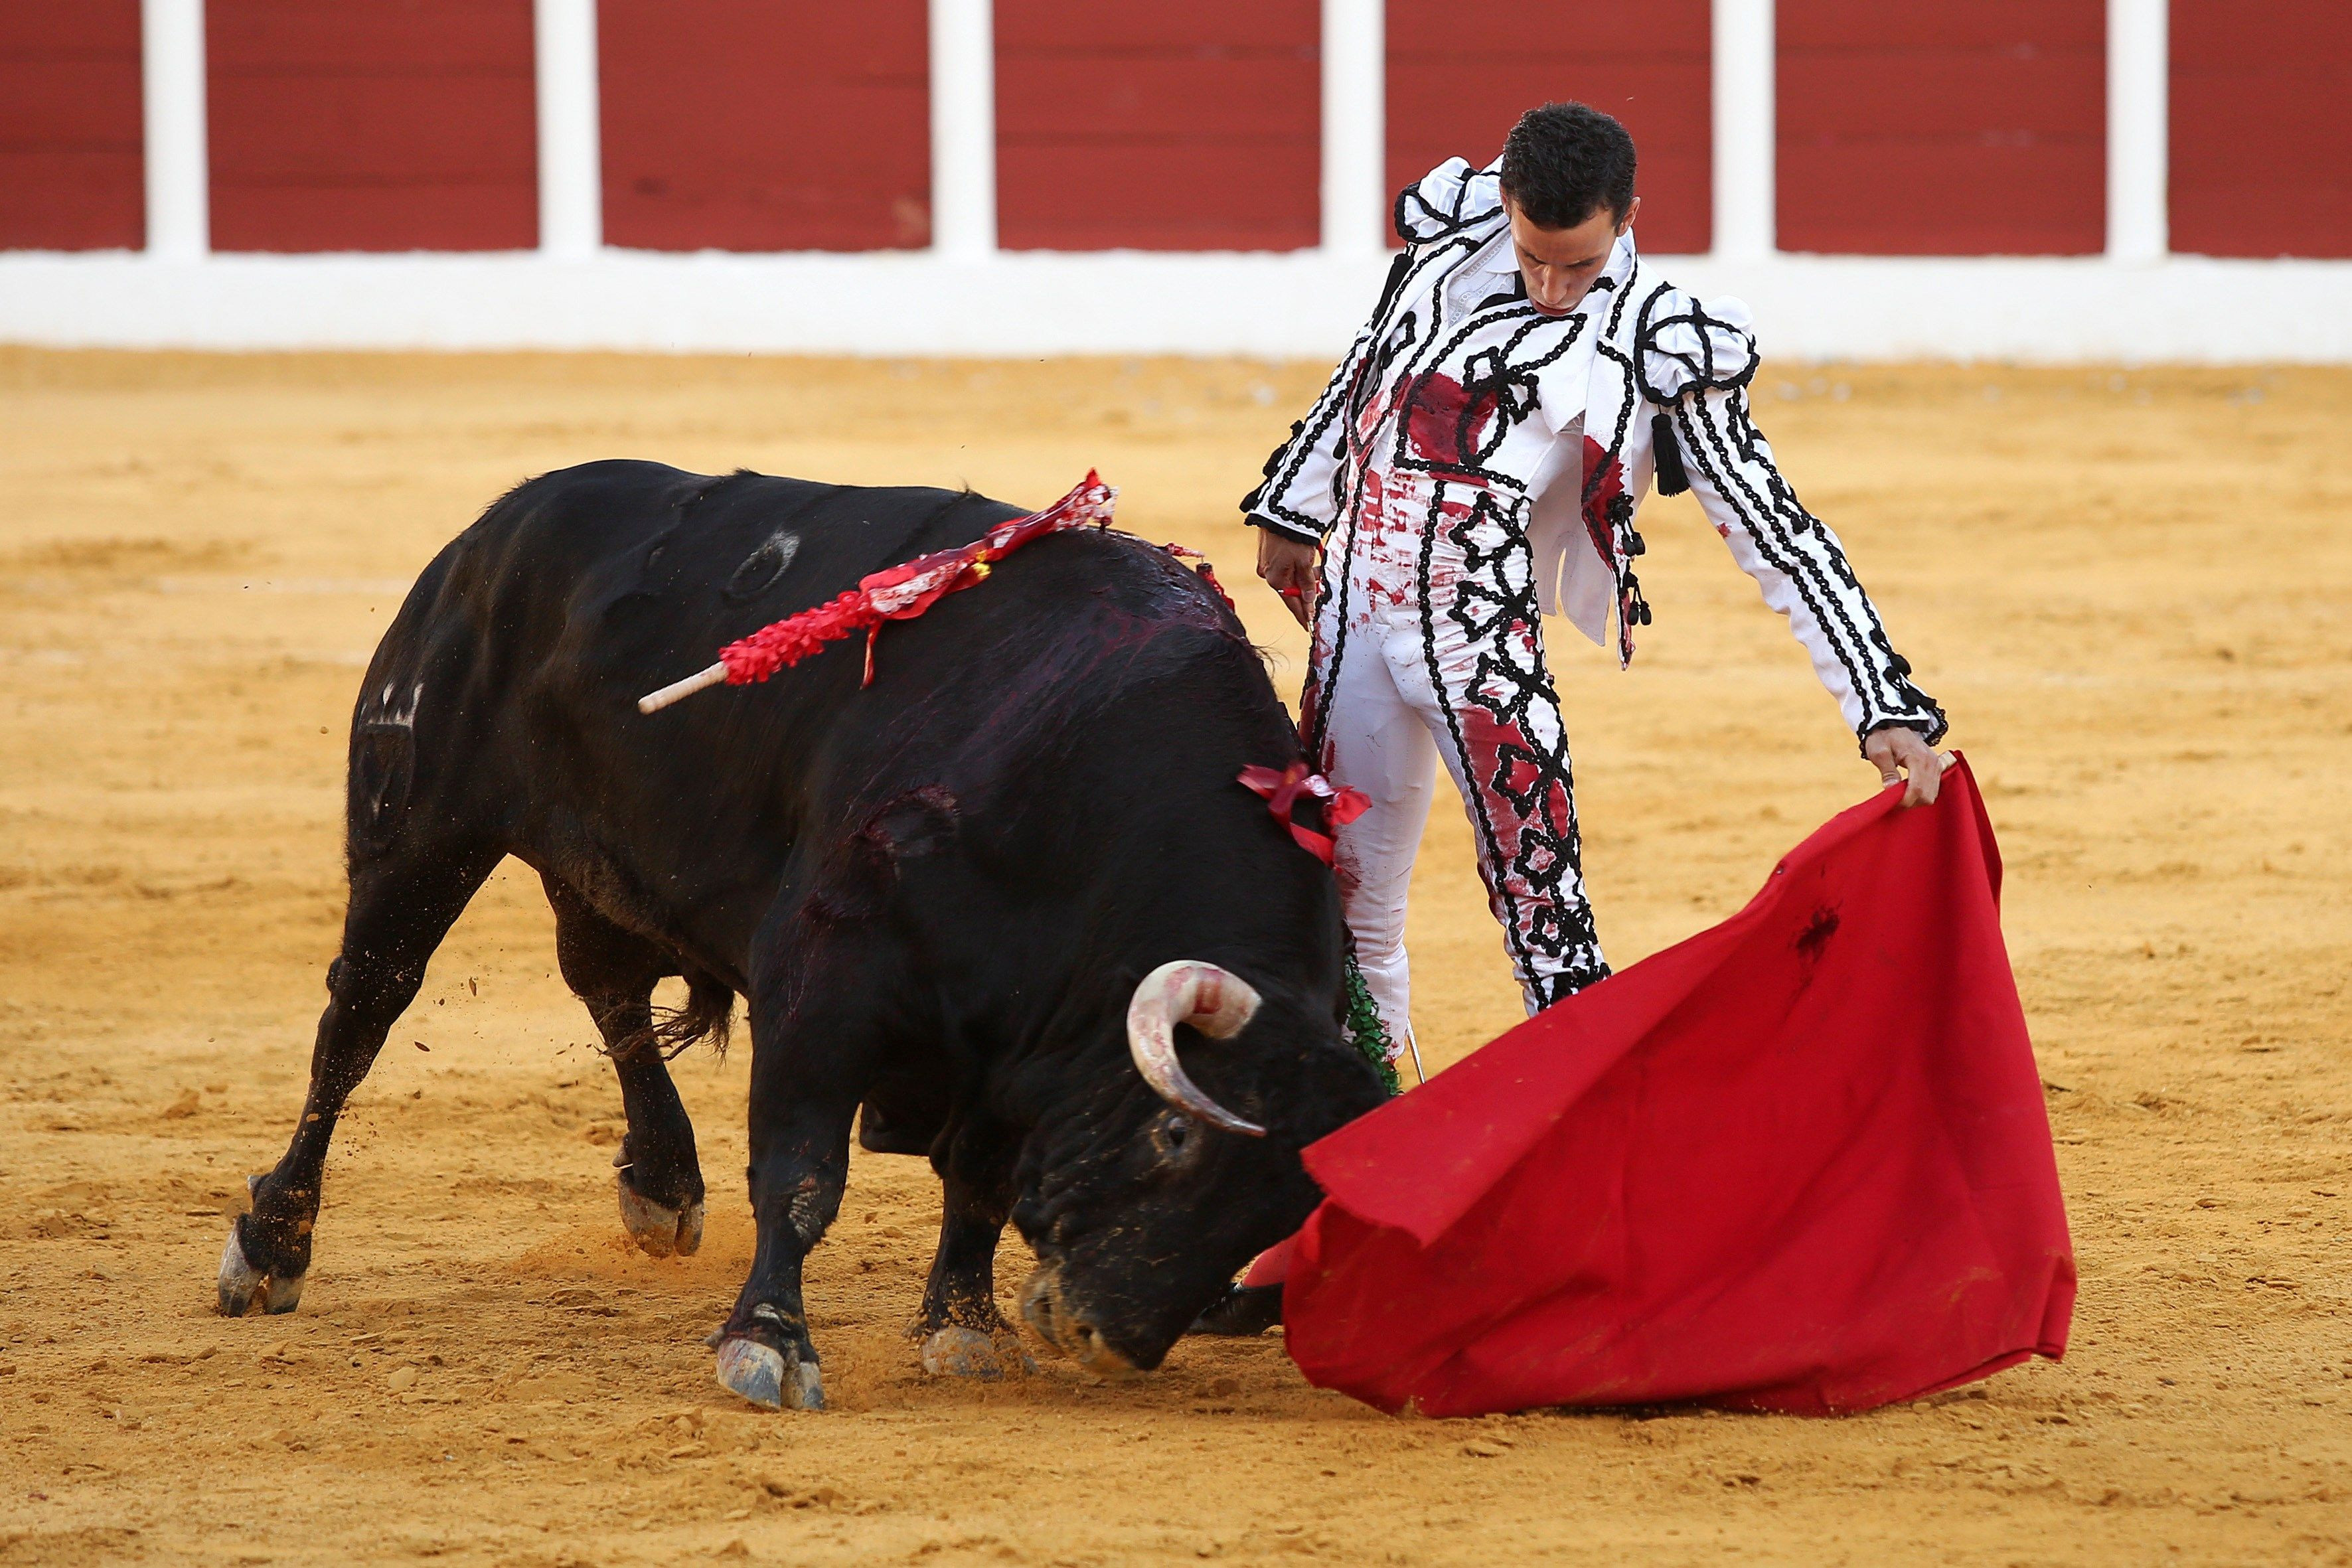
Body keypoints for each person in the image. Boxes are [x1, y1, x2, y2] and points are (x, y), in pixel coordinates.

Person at [1246, 101, 1950, 1065]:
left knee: (1550, 932)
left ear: (1628, 218)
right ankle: (1363, 1146)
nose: (1550, 285)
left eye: (1577, 264)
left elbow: (1775, 528)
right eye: (1534, 255)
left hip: (1480, 642)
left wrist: (1881, 702)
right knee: (1344, 914)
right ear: (1505, 204)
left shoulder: (1660, 340)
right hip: (1354, 621)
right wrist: (1295, 503)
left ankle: (1590, 1167)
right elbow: (1373, 361)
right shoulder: (1450, 238)